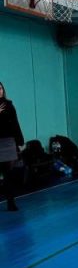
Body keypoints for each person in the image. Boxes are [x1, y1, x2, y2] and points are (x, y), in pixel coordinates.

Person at [0, 81, 26, 211]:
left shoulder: (9, 105)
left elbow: (15, 123)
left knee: (8, 174)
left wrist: (19, 141)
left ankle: (11, 202)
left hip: (8, 142)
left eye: (0, 88)